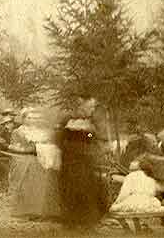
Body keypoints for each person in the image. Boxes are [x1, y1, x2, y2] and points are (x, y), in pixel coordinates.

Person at [57, 96, 109, 230]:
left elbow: (92, 137)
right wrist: (88, 135)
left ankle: (85, 224)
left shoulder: (88, 122)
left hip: (85, 163)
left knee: (87, 192)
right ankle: (73, 223)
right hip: (72, 163)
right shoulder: (68, 121)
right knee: (74, 192)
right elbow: (62, 139)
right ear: (81, 106)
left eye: (93, 107)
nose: (92, 110)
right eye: (90, 107)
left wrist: (91, 135)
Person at [7, 108, 61, 220]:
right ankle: (27, 211)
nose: (32, 120)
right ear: (23, 119)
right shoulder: (18, 132)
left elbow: (49, 143)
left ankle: (40, 211)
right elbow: (14, 146)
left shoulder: (42, 131)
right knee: (26, 186)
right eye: (29, 118)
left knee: (40, 186)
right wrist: (26, 149)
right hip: (25, 160)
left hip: (40, 160)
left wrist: (45, 148)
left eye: (34, 118)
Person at [0, 111, 15, 192]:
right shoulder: (2, 131)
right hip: (1, 154)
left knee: (5, 171)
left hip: (6, 154)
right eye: (10, 123)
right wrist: (8, 146)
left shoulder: (9, 131)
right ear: (6, 123)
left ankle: (3, 187)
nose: (12, 124)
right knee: (3, 171)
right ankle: (1, 187)